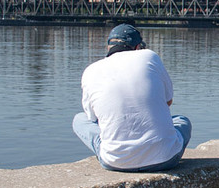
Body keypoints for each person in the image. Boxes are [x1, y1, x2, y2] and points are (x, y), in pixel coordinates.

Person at [72, 24, 192, 172]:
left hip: (115, 162)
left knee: (79, 120)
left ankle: (117, 149)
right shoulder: (149, 56)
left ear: (109, 47)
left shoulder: (90, 70)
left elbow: (92, 118)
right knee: (182, 120)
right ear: (137, 47)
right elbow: (168, 102)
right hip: (166, 159)